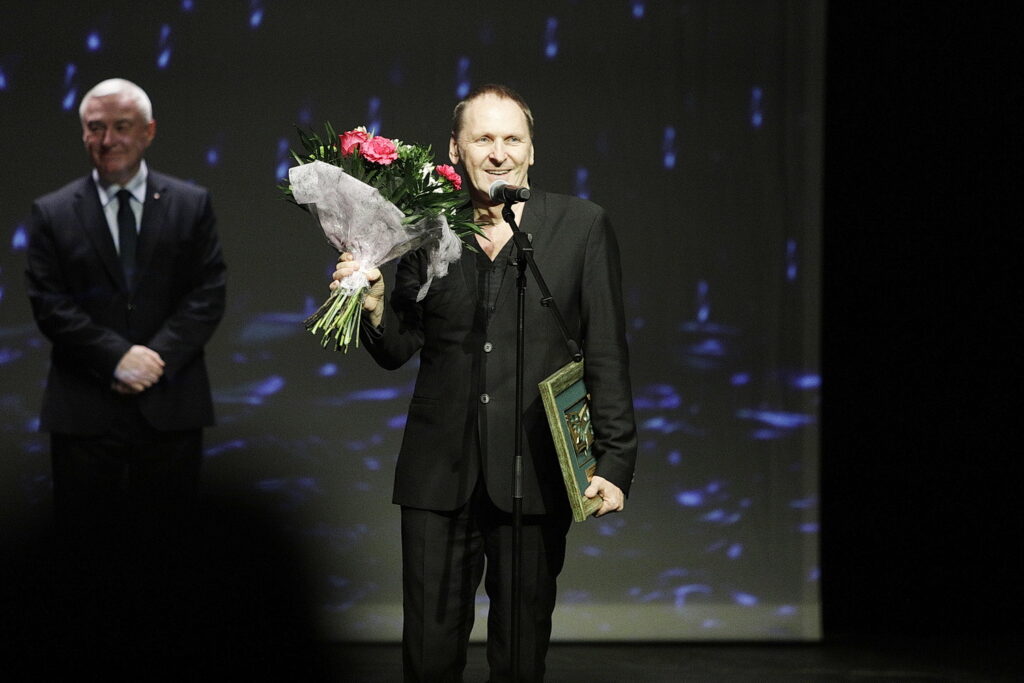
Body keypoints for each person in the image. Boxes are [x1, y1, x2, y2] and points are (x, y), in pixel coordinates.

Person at [334, 84, 637, 682]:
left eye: (511, 139)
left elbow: (606, 349)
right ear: (456, 148)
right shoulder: (426, 229)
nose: (498, 153)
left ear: (531, 151)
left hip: (536, 469)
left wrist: (615, 459)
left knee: (521, 653)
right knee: (428, 649)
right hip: (438, 472)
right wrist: (371, 306)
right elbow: (399, 348)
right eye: (482, 139)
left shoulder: (580, 226)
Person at [25, 78, 226, 541]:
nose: (108, 140)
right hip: (84, 409)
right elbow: (49, 303)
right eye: (96, 128)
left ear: (148, 132)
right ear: (83, 134)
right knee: (84, 551)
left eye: (121, 126)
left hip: (170, 402)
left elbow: (207, 292)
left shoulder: (190, 204)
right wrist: (116, 357)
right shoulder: (52, 212)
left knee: (170, 549)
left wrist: (154, 360)